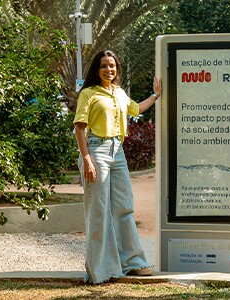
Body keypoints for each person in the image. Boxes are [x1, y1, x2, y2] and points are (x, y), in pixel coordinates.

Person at [73, 50, 162, 284]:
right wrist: (87, 159)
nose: (108, 70)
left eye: (112, 66)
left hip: (117, 152)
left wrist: (155, 96)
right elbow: (79, 128)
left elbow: (135, 109)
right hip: (95, 150)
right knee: (99, 211)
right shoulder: (89, 94)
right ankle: (101, 270)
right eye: (104, 66)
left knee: (124, 207)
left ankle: (132, 263)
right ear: (97, 69)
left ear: (117, 69)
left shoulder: (120, 93)